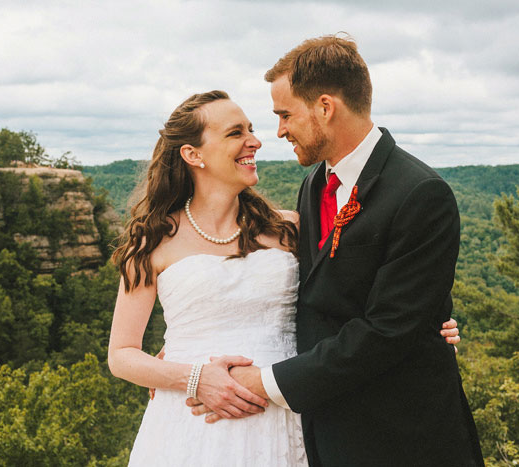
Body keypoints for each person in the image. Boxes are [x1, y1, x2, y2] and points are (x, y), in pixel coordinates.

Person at [108, 88, 461, 466]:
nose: (255, 141)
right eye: (235, 133)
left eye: (251, 129)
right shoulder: (152, 240)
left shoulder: (289, 228)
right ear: (193, 155)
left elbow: (354, 294)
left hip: (290, 412)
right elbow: (122, 355)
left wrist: (427, 323)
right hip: (195, 420)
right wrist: (189, 376)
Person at [189, 35, 484, 466]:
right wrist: (189, 351)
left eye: (285, 114)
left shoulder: (421, 193)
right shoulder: (314, 183)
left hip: (403, 437)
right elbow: (308, 293)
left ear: (325, 107)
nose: (279, 130)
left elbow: (387, 331)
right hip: (324, 432)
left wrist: (260, 383)